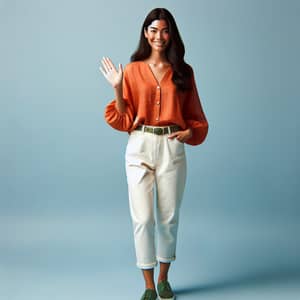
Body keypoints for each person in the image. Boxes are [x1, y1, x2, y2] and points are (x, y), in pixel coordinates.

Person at [99, 7, 208, 300]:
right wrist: (118, 88)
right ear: (145, 33)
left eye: (164, 30)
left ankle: (163, 279)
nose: (159, 36)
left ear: (171, 34)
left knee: (169, 216)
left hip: (171, 145)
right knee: (143, 218)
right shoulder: (132, 69)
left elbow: (196, 115)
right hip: (140, 145)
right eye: (153, 30)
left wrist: (190, 132)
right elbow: (124, 119)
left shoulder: (184, 71)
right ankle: (147, 284)